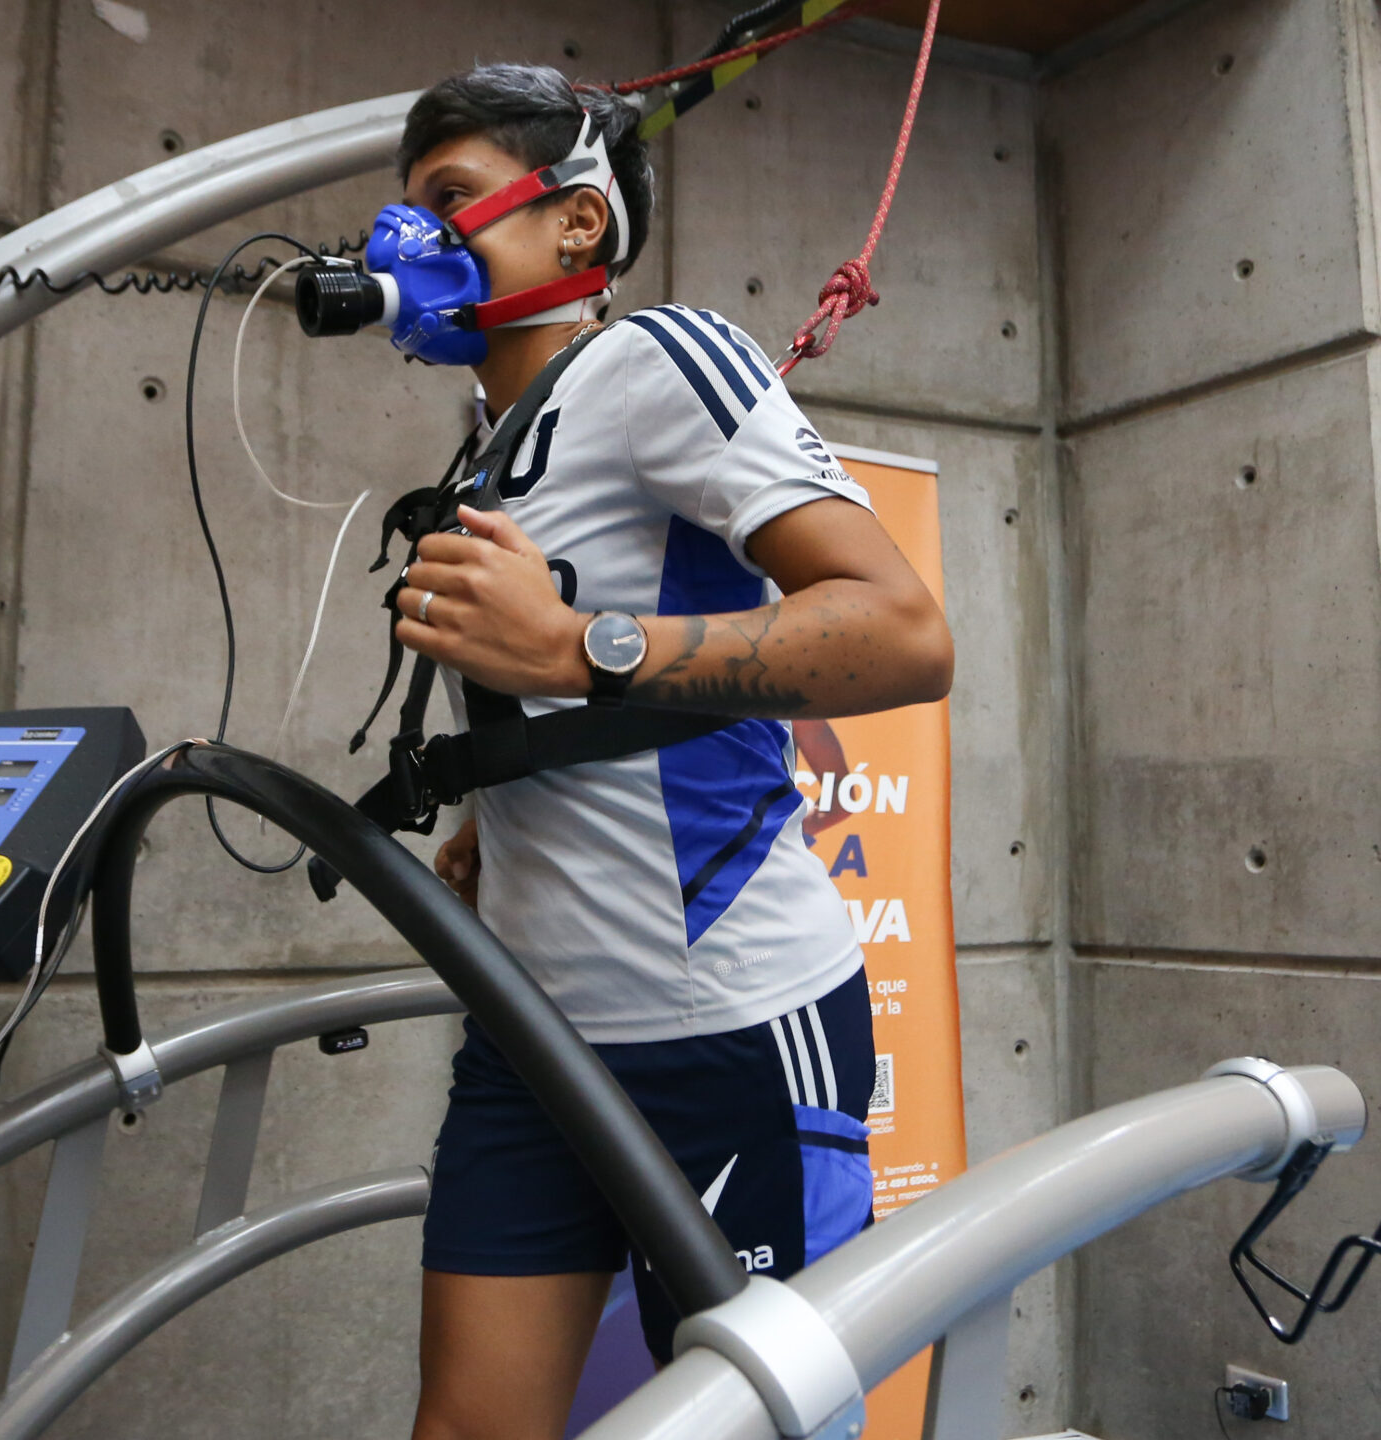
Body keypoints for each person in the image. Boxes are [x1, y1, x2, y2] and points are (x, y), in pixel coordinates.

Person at [372, 64, 953, 1440]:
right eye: (405, 209)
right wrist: (500, 814)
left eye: (450, 200)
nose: (411, 240)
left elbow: (905, 632)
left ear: (576, 223)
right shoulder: (484, 453)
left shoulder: (660, 358)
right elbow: (566, 705)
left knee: (764, 1425)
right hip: (534, 1034)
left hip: (732, 1032)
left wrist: (588, 648)